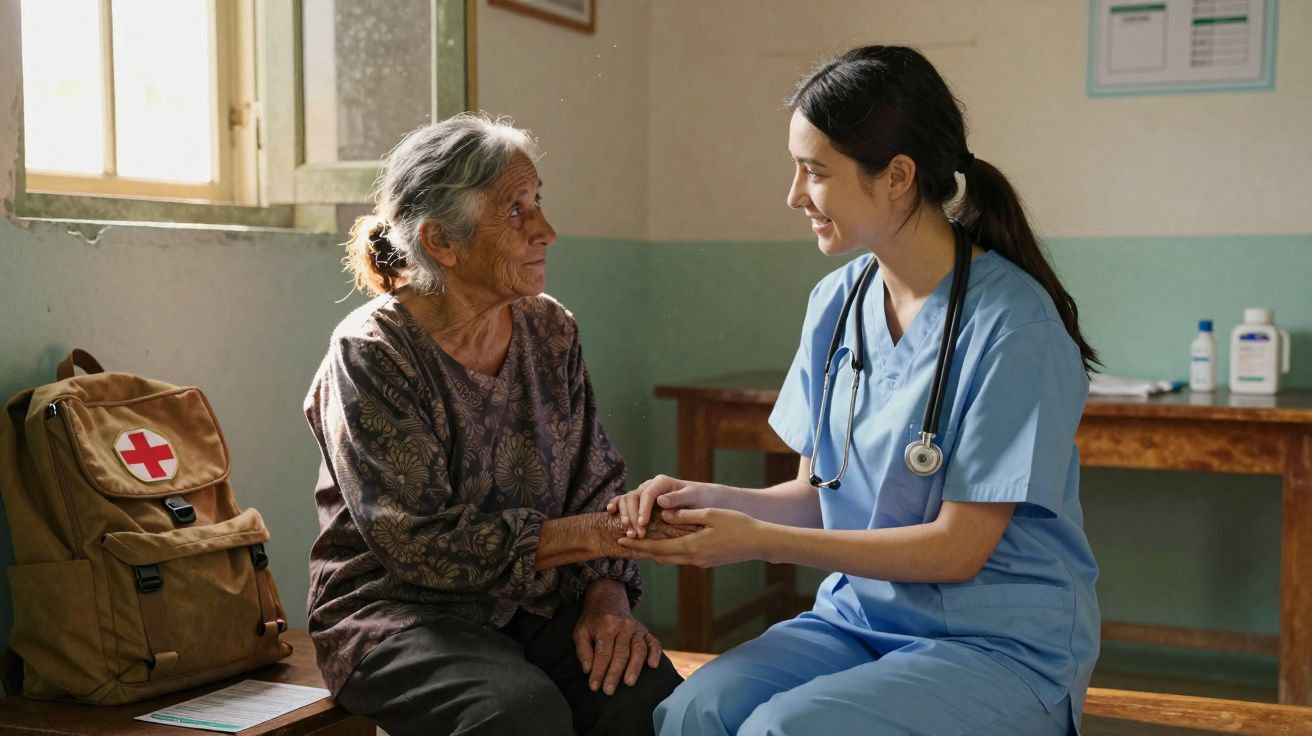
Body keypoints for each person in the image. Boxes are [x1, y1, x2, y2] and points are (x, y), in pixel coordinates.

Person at [610, 46, 1100, 735]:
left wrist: (757, 541)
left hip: (995, 643)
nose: (794, 195)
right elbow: (821, 495)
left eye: (815, 172)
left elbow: (957, 549)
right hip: (858, 620)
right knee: (695, 710)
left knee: (784, 730)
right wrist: (706, 501)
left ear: (897, 176)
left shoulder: (1014, 326)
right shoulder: (836, 302)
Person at [304, 112, 683, 736]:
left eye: (538, 202)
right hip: (397, 612)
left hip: (530, 602)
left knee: (645, 695)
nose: (546, 231)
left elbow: (594, 482)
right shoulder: (372, 353)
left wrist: (607, 600)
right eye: (515, 211)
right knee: (518, 715)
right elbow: (417, 543)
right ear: (441, 243)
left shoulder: (549, 329)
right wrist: (602, 535)